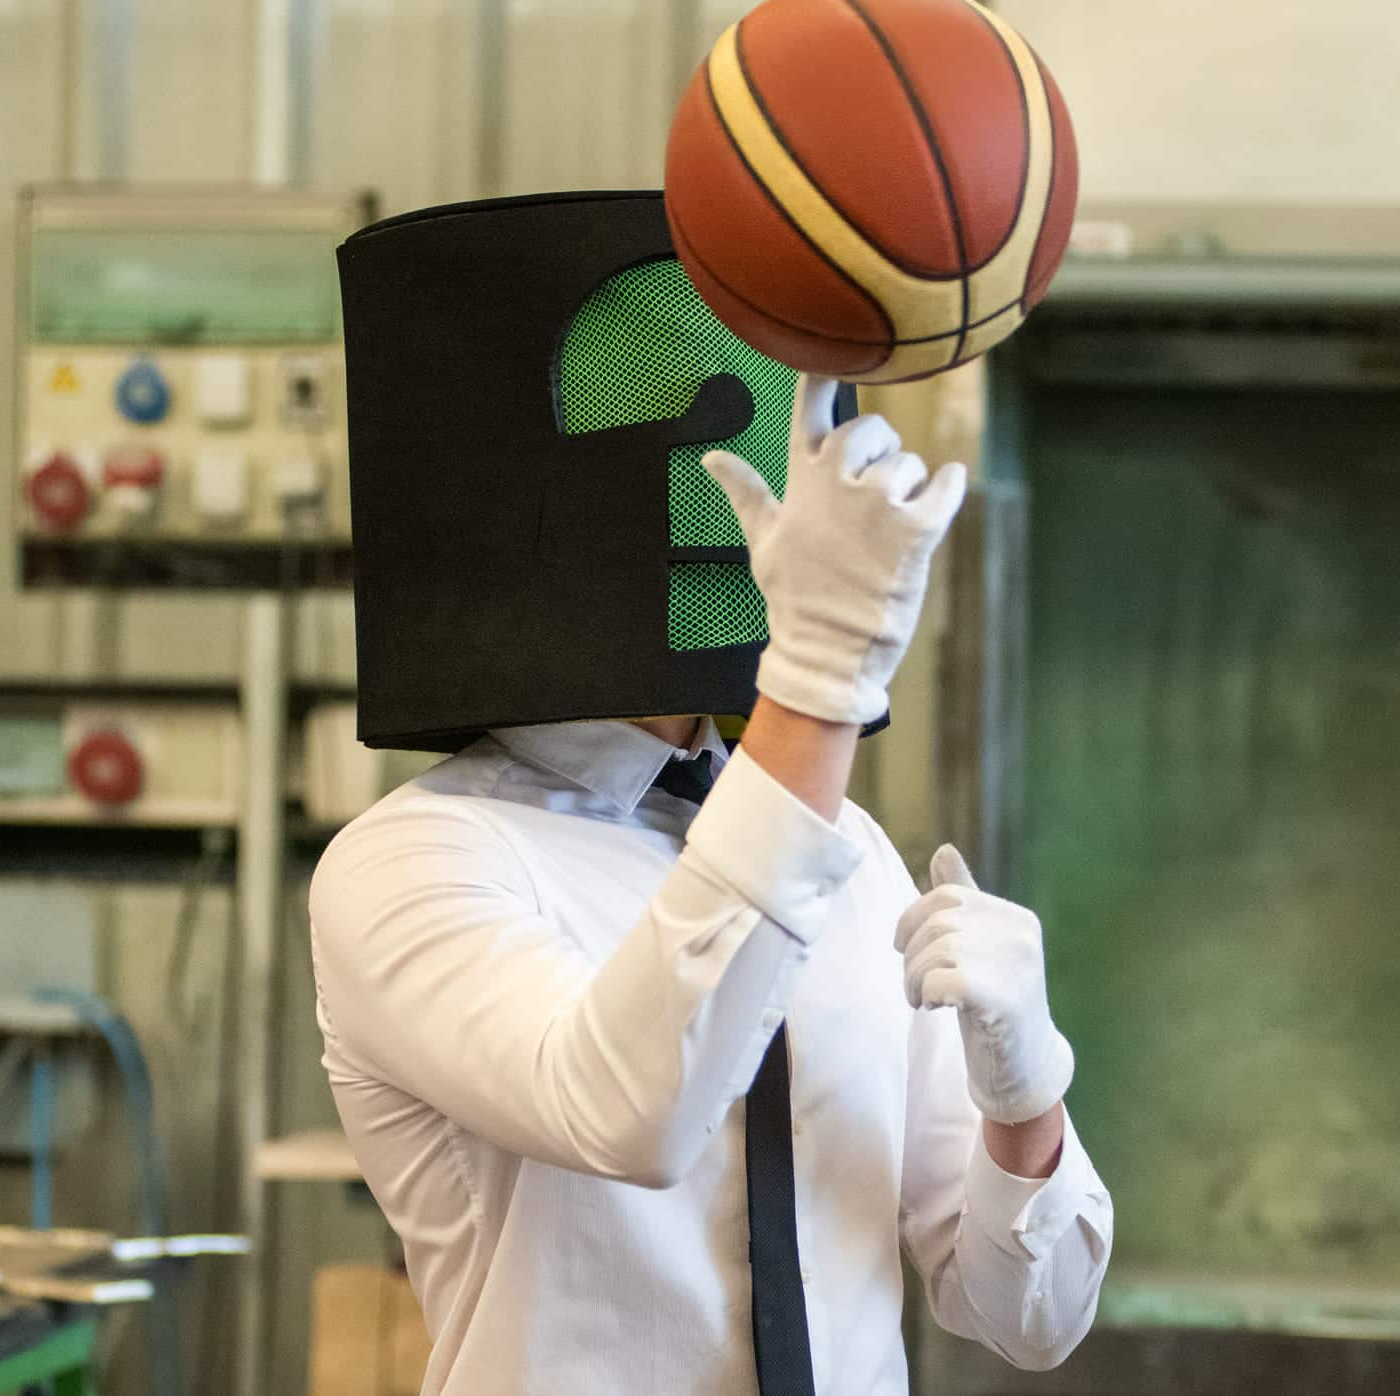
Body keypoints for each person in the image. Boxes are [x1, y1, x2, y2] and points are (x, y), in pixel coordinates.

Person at [311, 192, 1113, 1395]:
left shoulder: (845, 851)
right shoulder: (418, 861)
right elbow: (626, 1108)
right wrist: (817, 675)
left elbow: (1029, 1316)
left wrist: (1026, 1096)